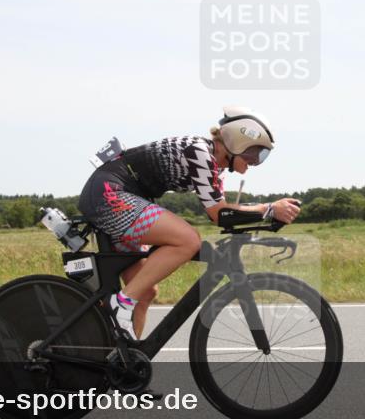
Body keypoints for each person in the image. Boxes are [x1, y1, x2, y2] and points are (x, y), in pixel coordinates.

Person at [77, 106, 301, 340]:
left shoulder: (213, 166)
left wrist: (268, 214)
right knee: (188, 240)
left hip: (120, 194)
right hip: (109, 193)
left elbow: (224, 214)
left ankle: (122, 361)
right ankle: (119, 304)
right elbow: (218, 213)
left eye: (262, 157)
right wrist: (270, 209)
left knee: (144, 292)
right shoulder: (200, 152)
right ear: (238, 141)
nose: (255, 162)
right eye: (256, 153)